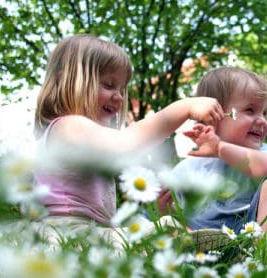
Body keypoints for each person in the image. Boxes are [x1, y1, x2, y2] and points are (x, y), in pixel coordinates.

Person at [32, 34, 225, 246]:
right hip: (68, 236)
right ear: (70, 81)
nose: (119, 97)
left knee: (162, 228)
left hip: (86, 235)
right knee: (167, 228)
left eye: (122, 89)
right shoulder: (67, 126)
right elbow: (127, 143)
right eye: (108, 85)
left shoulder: (76, 137)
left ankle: (214, 251)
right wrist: (184, 107)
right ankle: (217, 252)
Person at [166, 66, 267, 234]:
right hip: (201, 239)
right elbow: (176, 209)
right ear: (211, 116)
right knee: (169, 223)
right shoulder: (187, 168)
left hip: (251, 234)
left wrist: (220, 148)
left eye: (264, 112)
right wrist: (162, 207)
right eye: (250, 110)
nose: (262, 121)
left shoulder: (262, 154)